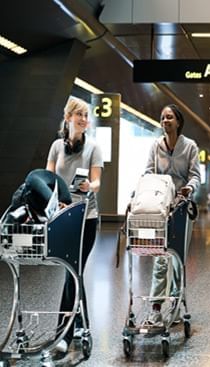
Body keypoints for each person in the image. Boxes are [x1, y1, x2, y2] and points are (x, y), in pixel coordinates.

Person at [46, 97, 103, 353]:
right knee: (72, 271)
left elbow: (97, 182)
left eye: (86, 115)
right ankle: (78, 319)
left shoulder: (93, 148)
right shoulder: (56, 146)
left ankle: (63, 334)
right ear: (68, 117)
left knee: (72, 270)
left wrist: (89, 187)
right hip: (61, 217)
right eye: (78, 114)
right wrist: (54, 200)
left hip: (86, 219)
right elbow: (48, 179)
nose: (83, 119)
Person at [143, 104, 200, 326]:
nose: (165, 121)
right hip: (160, 208)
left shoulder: (190, 147)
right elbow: (148, 172)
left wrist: (188, 188)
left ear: (178, 121)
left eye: (169, 117)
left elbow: (195, 176)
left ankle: (176, 303)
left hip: (181, 209)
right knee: (160, 258)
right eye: (162, 117)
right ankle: (156, 308)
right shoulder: (156, 146)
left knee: (177, 259)